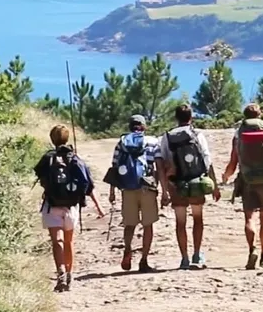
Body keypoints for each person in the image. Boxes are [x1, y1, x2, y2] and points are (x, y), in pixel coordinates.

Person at [34, 124, 104, 292]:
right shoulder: (75, 158)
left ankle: (61, 273)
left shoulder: (48, 158)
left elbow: (39, 174)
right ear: (67, 138)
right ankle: (70, 273)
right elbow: (88, 184)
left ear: (52, 139)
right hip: (71, 206)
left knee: (56, 241)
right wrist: (96, 205)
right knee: (68, 241)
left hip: (52, 204)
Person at [222, 103, 263, 270]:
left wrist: (225, 176)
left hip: (247, 179)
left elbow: (233, 161)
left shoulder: (239, 134)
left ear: (244, 116)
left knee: (249, 217)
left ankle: (252, 249)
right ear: (261, 115)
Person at [160, 104, 220, 269]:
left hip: (176, 184)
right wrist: (215, 186)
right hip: (196, 182)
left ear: (176, 118)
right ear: (191, 117)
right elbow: (207, 161)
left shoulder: (167, 137)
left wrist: (165, 188)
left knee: (180, 222)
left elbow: (163, 162)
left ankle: (184, 258)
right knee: (198, 219)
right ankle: (197, 254)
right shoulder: (197, 134)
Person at [106, 114, 165, 272]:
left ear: (130, 126)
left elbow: (114, 167)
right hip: (147, 188)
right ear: (144, 127)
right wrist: (164, 190)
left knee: (130, 224)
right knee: (148, 225)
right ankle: (144, 260)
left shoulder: (122, 142)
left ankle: (127, 249)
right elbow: (159, 167)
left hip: (127, 188)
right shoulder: (152, 142)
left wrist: (112, 192)